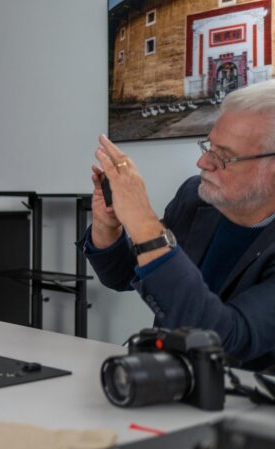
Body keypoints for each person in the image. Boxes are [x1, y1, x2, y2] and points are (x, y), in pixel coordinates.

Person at [79, 80, 275, 371]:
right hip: (172, 377)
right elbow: (124, 274)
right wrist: (108, 226)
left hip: (247, 392)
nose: (203, 162)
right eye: (209, 146)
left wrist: (142, 219)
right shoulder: (195, 197)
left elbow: (224, 339)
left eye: (223, 156)